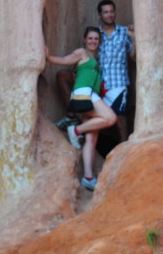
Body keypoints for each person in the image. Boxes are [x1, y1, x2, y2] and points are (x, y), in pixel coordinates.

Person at [45, 26, 117, 191]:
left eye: (96, 39)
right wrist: (47, 57)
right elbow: (65, 60)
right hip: (85, 95)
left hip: (90, 96)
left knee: (91, 140)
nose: (93, 41)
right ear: (85, 40)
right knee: (110, 118)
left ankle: (88, 177)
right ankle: (76, 130)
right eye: (90, 38)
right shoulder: (82, 53)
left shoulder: (94, 57)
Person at [95, 0, 135, 141]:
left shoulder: (124, 32)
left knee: (120, 118)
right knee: (98, 118)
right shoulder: (95, 35)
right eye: (106, 12)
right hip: (100, 85)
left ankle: (125, 147)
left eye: (112, 11)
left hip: (118, 83)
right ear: (100, 15)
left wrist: (133, 39)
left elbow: (133, 57)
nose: (110, 15)